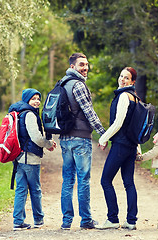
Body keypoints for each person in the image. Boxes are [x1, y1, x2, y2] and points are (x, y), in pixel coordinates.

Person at [58, 53, 106, 230]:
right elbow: (89, 112)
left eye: (86, 64)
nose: (85, 68)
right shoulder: (78, 85)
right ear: (72, 67)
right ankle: (86, 220)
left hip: (64, 139)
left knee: (68, 180)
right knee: (83, 179)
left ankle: (66, 221)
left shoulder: (62, 83)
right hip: (80, 139)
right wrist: (103, 133)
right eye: (81, 65)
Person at [96, 67, 139, 230]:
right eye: (121, 76)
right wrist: (138, 149)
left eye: (126, 78)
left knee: (105, 180)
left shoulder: (123, 96)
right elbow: (134, 127)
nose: (122, 79)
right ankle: (131, 221)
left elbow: (118, 123)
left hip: (121, 145)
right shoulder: (136, 98)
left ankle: (112, 218)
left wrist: (103, 138)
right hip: (131, 146)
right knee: (128, 182)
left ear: (132, 82)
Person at [8, 88, 57, 231]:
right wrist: (48, 144)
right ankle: (38, 219)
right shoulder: (29, 114)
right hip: (30, 159)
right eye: (33, 99)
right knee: (35, 190)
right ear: (27, 100)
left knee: (21, 190)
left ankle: (18, 221)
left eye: (38, 99)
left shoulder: (19, 112)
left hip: (18, 158)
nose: (37, 101)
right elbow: (36, 137)